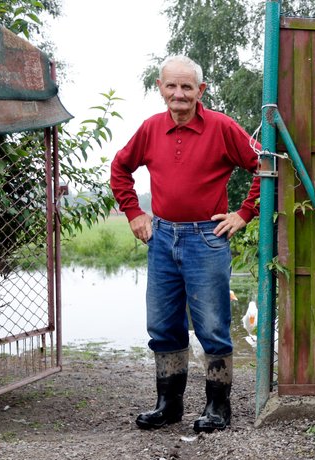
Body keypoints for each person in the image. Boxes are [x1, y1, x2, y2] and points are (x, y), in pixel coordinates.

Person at [110, 55, 260, 433]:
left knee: (211, 325)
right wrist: (134, 213)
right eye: (171, 86)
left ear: (200, 91)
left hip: (206, 240)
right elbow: (119, 168)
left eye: (187, 87)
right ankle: (168, 404)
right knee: (162, 325)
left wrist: (244, 213)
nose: (179, 94)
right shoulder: (150, 129)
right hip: (161, 237)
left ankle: (218, 406)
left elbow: (265, 166)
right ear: (161, 89)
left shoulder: (223, 128)